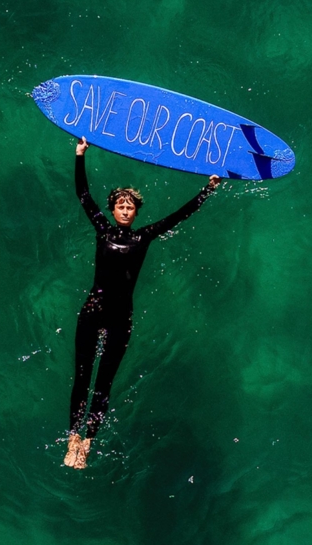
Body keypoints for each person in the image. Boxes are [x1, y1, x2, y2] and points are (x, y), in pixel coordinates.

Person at [65, 137, 221, 470]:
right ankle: (72, 439)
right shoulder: (102, 229)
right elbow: (83, 195)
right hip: (94, 309)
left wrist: (207, 190)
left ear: (136, 212)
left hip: (121, 316)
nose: (124, 209)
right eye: (120, 205)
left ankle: (88, 442)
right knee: (82, 375)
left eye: (129, 206)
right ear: (112, 209)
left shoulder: (143, 236)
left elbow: (179, 216)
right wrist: (80, 156)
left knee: (104, 382)